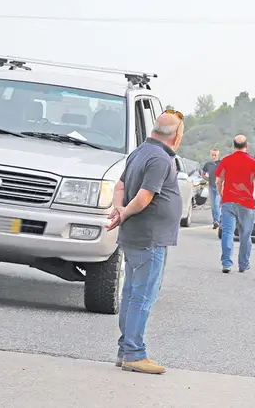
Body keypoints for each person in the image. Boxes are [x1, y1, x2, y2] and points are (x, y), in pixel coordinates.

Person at [106, 110, 184, 375]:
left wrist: (118, 210)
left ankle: (125, 350)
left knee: (131, 294)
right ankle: (134, 353)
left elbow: (119, 186)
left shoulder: (139, 152)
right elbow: (144, 197)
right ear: (177, 135)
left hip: (135, 235)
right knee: (142, 296)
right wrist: (125, 212)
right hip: (149, 238)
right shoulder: (161, 159)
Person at [215, 135, 255, 274]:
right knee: (245, 235)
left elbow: (218, 181)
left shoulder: (226, 161)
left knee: (227, 232)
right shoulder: (253, 162)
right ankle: (243, 264)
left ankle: (226, 263)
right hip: (246, 203)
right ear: (246, 146)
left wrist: (222, 194)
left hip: (229, 201)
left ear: (233, 146)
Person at [200, 149, 222, 229]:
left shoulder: (221, 163)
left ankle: (217, 220)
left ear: (218, 155)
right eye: (212, 155)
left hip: (219, 187)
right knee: (213, 206)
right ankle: (215, 221)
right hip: (211, 187)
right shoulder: (208, 164)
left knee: (217, 204)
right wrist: (206, 178)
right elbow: (203, 173)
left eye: (215, 155)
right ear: (210, 155)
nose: (213, 156)